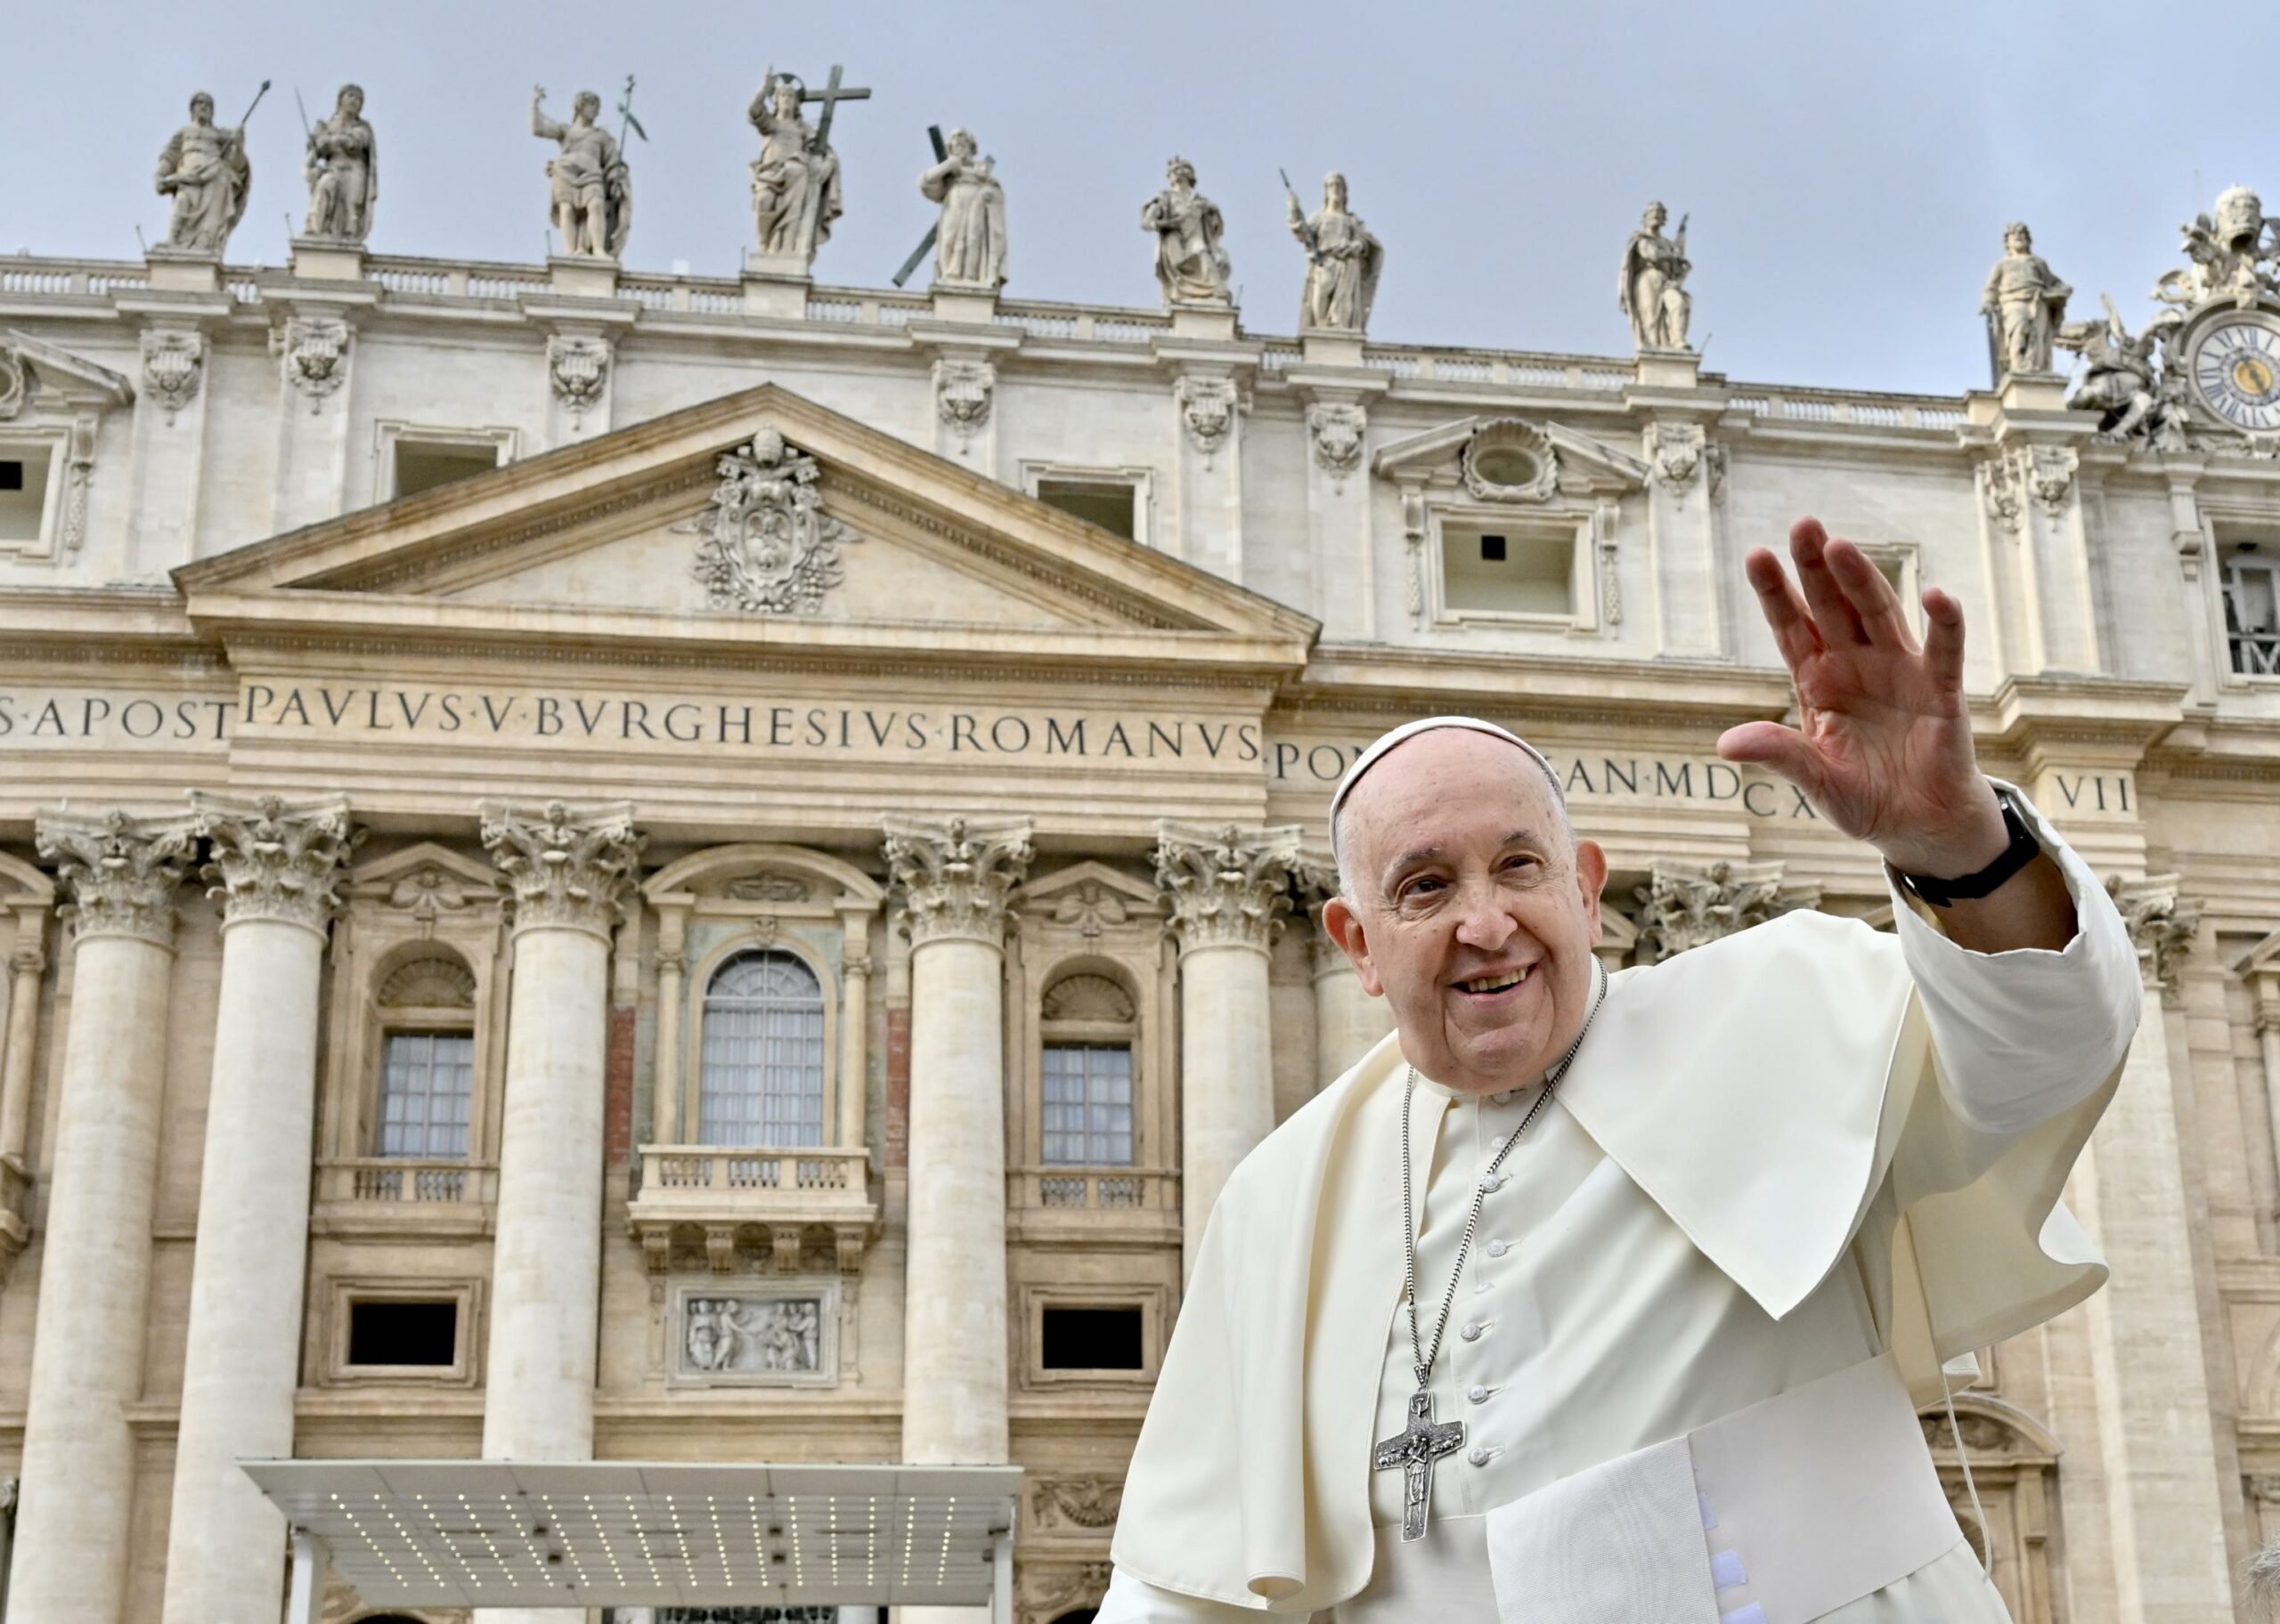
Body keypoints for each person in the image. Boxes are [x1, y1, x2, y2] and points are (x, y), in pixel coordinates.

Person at [1099, 517, 2140, 1622]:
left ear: (1587, 889)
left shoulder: (1780, 1007)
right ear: (1355, 945)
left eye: (1518, 866)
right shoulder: (1278, 1195)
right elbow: (1183, 1583)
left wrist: (1957, 849)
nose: (1486, 923)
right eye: (1424, 888)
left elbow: (2047, 1050)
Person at [303, 83, 377, 242]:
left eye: (359, 99)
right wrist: (317, 144)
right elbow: (316, 149)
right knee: (324, 189)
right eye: (351, 96)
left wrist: (331, 140)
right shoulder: (326, 124)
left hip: (355, 169)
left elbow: (356, 143)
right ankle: (317, 231)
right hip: (333, 167)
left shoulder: (363, 127)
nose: (355, 101)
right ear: (340, 99)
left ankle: (349, 240)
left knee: (352, 206)